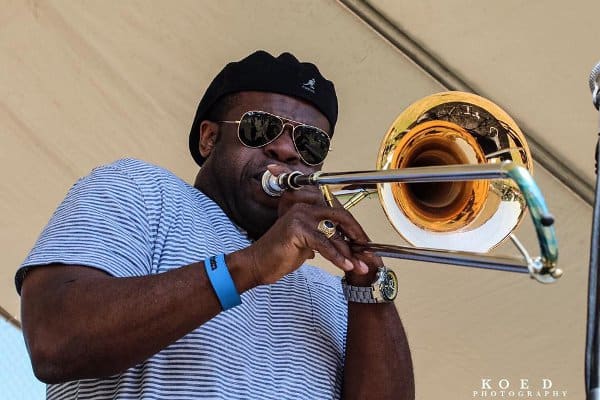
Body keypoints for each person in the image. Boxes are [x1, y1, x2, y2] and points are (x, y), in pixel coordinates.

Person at [16, 50, 414, 400]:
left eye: (310, 144)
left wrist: (369, 284)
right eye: (261, 128)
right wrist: (250, 266)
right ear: (208, 138)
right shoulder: (139, 187)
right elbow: (56, 338)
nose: (287, 149)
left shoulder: (332, 293)